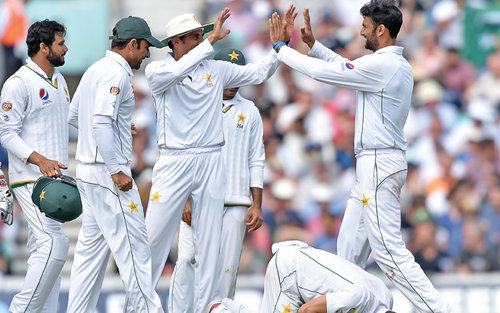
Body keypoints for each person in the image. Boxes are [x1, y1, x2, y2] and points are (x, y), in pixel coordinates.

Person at [268, 1, 453, 312]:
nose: (360, 31)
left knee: (390, 255)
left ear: (381, 29)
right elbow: (346, 68)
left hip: (379, 163)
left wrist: (280, 49)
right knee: (348, 253)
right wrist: (314, 46)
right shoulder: (388, 65)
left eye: (365, 27)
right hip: (373, 165)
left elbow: (333, 74)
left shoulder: (386, 65)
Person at [144, 8, 284, 313]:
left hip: (210, 159)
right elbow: (176, 73)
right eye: (195, 37)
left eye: (202, 36)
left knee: (208, 251)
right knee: (154, 240)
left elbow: (258, 73)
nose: (202, 41)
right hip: (174, 159)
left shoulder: (215, 69)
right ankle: (140, 304)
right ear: (176, 42)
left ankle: (206, 308)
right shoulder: (157, 71)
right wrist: (210, 43)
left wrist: (277, 49)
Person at [66, 16, 165, 313]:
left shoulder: (95, 68)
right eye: (146, 47)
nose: (147, 54)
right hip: (109, 175)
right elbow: (98, 121)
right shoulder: (117, 73)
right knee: (135, 250)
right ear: (133, 44)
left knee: (90, 255)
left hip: (87, 171)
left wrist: (119, 129)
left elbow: (74, 117)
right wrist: (115, 168)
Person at [169, 48, 265, 313]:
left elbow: (256, 158)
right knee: (187, 259)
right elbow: (183, 154)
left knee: (226, 268)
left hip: (236, 201)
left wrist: (257, 204)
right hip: (199, 198)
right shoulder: (195, 104)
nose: (233, 84)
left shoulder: (251, 111)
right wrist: (184, 197)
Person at [0, 19, 70, 313]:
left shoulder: (60, 81)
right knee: (56, 245)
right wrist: (39, 159)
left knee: (44, 252)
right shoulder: (18, 83)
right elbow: (5, 133)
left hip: (55, 182)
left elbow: (69, 122)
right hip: (30, 180)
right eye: (60, 43)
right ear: (43, 47)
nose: (66, 48)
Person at [207, 241, 395, 313]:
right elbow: (306, 310)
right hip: (290, 271)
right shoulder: (359, 297)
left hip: (300, 271)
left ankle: (226, 307)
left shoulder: (386, 298)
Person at [0, 0, 28, 87]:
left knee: (17, 73)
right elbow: (2, 24)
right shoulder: (10, 5)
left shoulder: (18, 6)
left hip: (17, 46)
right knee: (10, 74)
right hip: (9, 45)